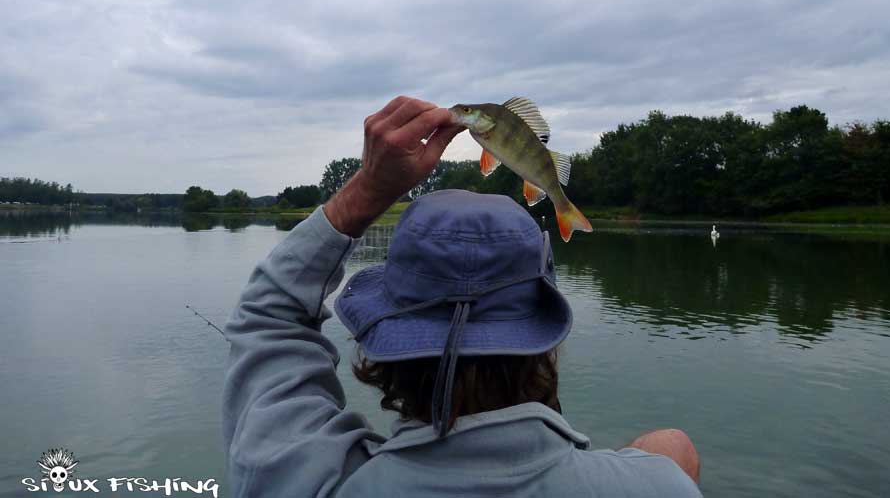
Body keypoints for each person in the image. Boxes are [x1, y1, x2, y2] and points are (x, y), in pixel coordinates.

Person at [223, 96, 702, 497]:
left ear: (386, 349)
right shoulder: (659, 488)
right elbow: (675, 449)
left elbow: (268, 319)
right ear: (544, 345)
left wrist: (368, 189)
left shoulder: (301, 479)